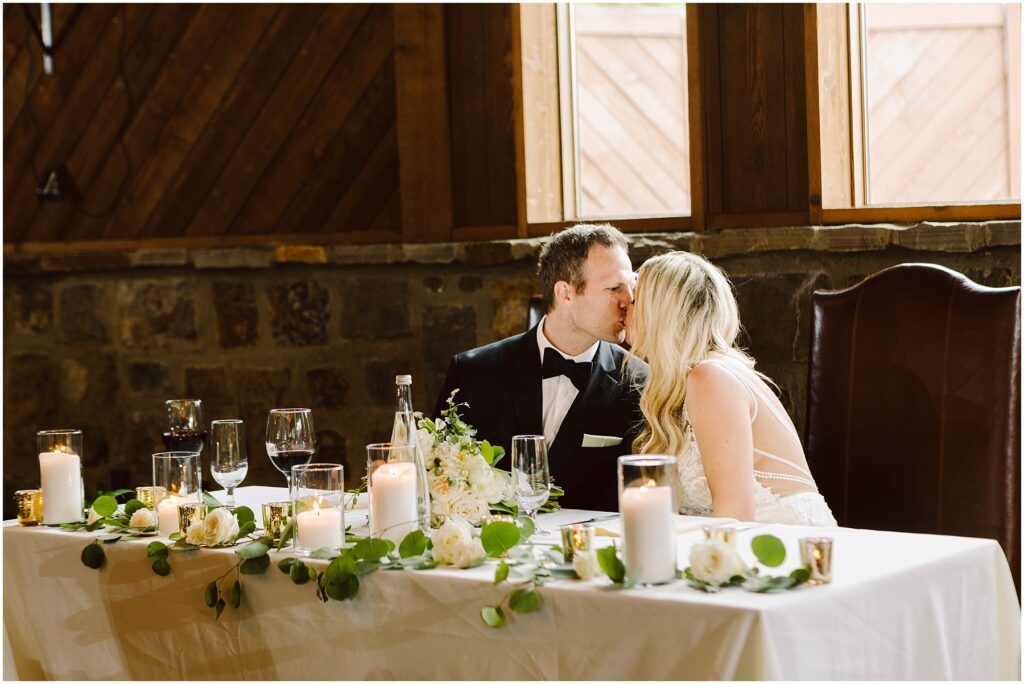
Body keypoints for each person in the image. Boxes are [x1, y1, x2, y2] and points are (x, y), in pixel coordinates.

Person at [434, 224, 648, 512]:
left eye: (631, 287)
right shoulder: (473, 372)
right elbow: (437, 475)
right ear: (565, 293)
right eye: (614, 288)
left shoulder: (638, 382)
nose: (629, 300)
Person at [626, 251, 837, 526]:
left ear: (658, 314)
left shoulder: (711, 378)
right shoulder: (701, 374)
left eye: (633, 301)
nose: (624, 308)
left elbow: (735, 517)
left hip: (784, 550)